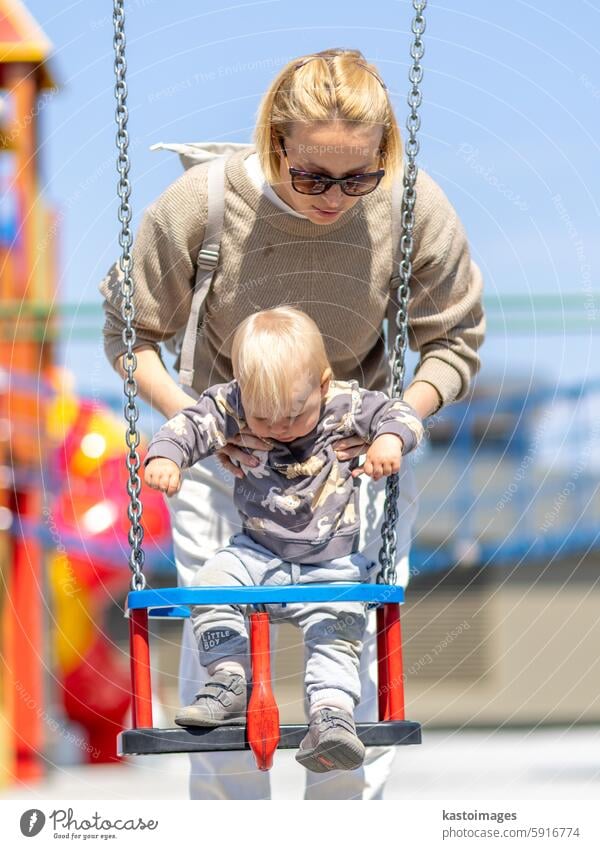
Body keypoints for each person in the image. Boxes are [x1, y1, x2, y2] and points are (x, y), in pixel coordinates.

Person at [99, 47, 485, 799]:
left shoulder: (411, 205)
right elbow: (129, 337)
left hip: (350, 452)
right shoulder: (200, 204)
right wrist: (195, 426)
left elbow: (455, 340)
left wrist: (398, 422)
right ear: (274, 142)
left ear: (385, 158)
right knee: (218, 635)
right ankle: (229, 814)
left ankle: (341, 809)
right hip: (225, 447)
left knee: (352, 639)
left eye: (358, 177)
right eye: (311, 175)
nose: (334, 197)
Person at [143, 307, 424, 773]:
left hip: (330, 559)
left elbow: (402, 415)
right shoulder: (232, 402)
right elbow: (189, 425)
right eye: (263, 417)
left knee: (337, 628)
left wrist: (388, 441)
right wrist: (167, 456)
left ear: (323, 383)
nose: (279, 428)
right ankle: (228, 678)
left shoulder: (347, 404)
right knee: (210, 585)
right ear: (241, 391)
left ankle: (332, 716)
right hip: (256, 551)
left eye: (295, 413)